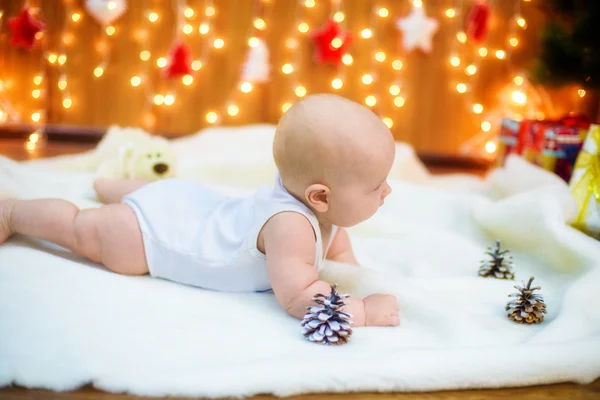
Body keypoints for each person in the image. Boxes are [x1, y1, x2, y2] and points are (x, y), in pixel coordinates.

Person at [0, 94, 399, 327]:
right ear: (320, 198)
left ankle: (110, 187)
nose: (388, 190)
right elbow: (300, 296)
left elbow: (335, 238)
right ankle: (14, 213)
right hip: (150, 237)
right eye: (375, 185)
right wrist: (363, 310)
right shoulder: (291, 227)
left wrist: (348, 265)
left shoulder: (311, 207)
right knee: (80, 228)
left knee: (161, 193)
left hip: (185, 202)